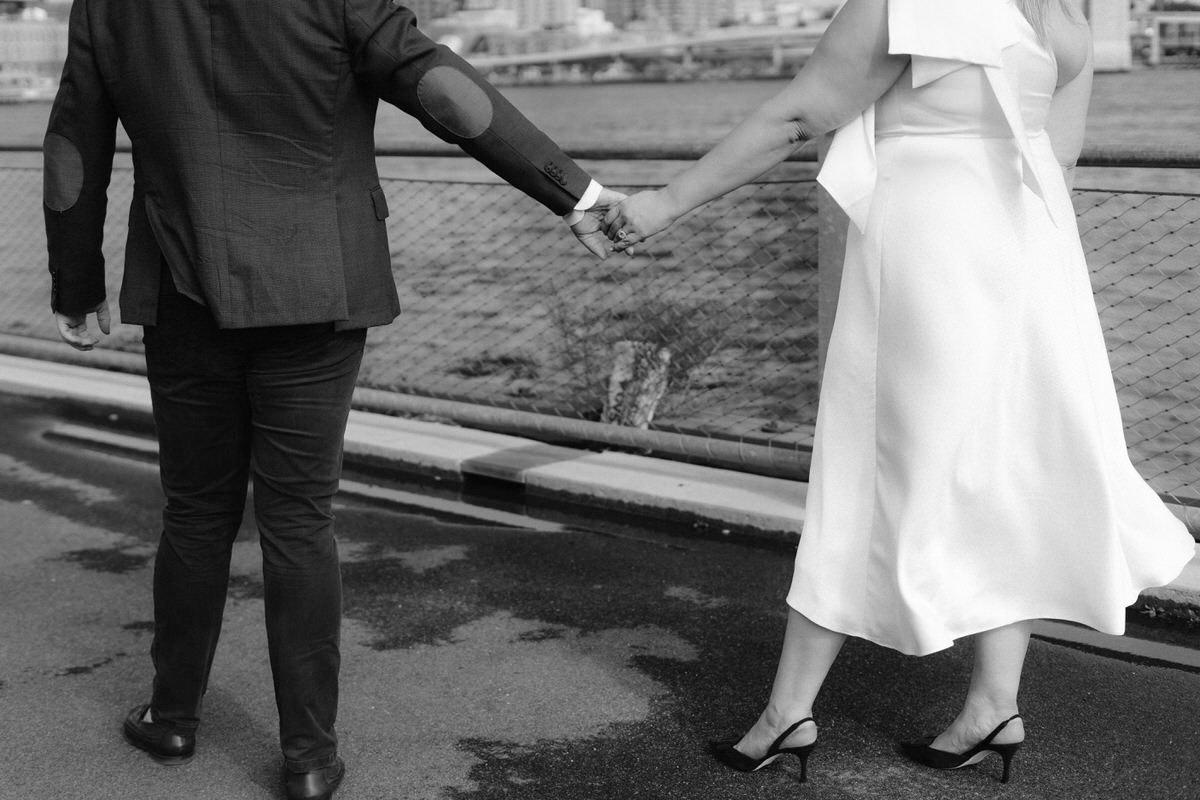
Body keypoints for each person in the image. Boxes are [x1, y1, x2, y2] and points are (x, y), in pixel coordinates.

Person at [605, 0, 1194, 785]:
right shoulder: (1064, 14)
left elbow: (799, 116)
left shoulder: (907, 2)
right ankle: (992, 705)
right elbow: (1061, 162)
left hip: (930, 255)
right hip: (1034, 260)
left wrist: (661, 203)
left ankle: (788, 715)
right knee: (1004, 474)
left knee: (868, 472)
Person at [43, 2, 622, 799]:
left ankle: (172, 716)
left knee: (196, 512)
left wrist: (75, 283)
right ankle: (309, 759)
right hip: (318, 284)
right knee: (299, 520)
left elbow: (75, 140)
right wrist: (576, 195)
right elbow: (443, 93)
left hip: (182, 292)